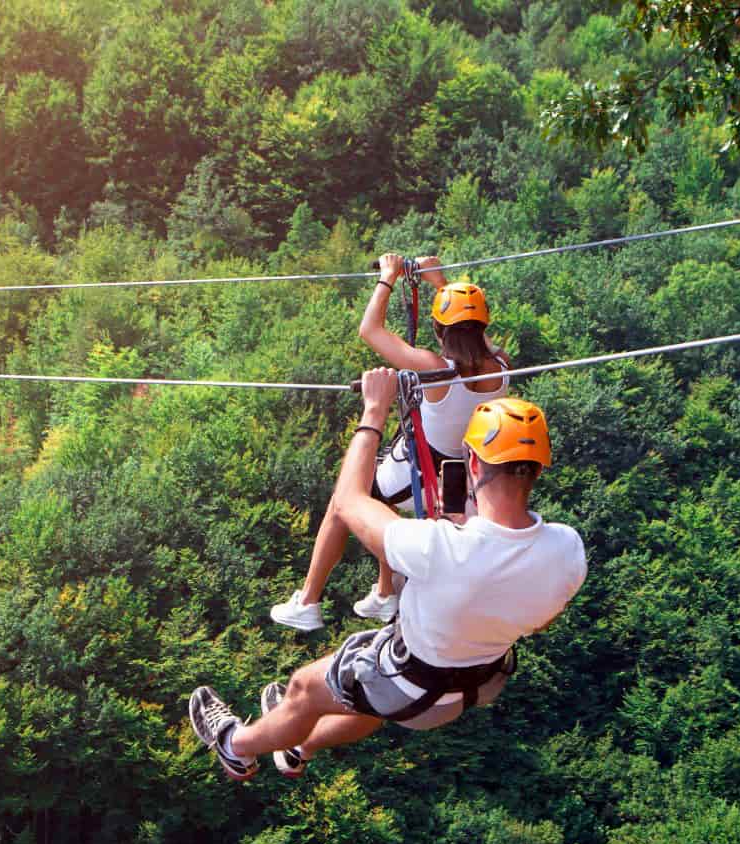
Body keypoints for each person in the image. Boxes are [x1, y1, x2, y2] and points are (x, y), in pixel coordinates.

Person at [191, 368, 586, 781]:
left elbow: (348, 501)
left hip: (410, 685)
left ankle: (235, 747)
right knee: (367, 700)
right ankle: (299, 747)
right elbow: (541, 619)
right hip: (475, 685)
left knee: (303, 690)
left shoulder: (439, 547)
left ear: (472, 461)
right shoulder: (567, 550)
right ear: (539, 469)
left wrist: (374, 411)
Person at [271, 253, 511, 631]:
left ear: (438, 328)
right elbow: (471, 330)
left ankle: (308, 601)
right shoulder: (502, 365)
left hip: (422, 468)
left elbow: (370, 330)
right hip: (461, 474)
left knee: (343, 501)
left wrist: (387, 277)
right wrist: (439, 283)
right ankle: (385, 593)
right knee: (384, 505)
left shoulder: (434, 369)